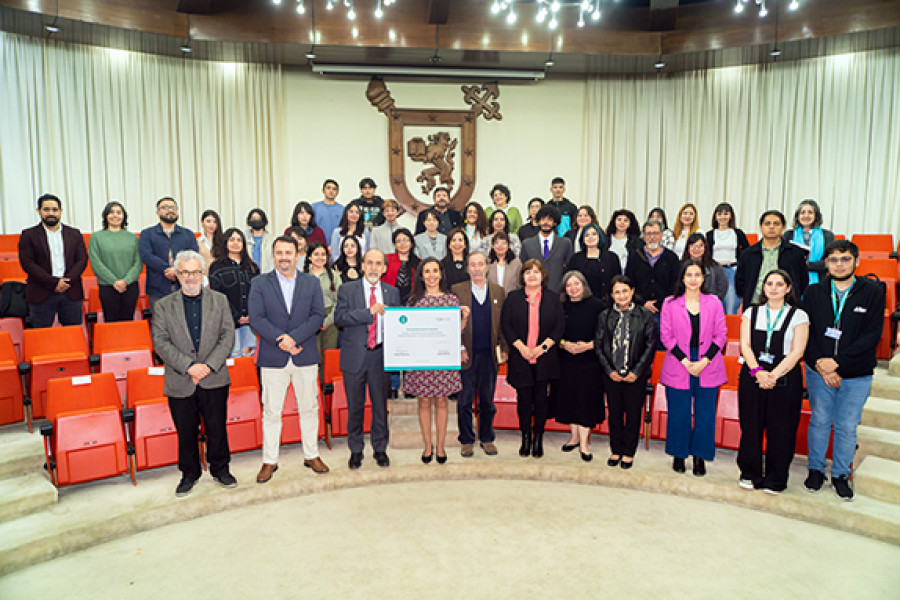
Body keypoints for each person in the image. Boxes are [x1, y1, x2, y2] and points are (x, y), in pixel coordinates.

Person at [801, 240, 885, 501]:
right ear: (826, 263)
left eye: (845, 259)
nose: (839, 265)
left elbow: (872, 335)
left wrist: (838, 363)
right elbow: (807, 334)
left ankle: (840, 474)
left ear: (857, 262)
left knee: (847, 426)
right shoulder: (814, 292)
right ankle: (816, 469)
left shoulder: (872, 290)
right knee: (819, 422)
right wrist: (821, 365)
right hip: (818, 371)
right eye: (834, 260)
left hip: (856, 373)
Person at [150, 250, 236, 497]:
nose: (191, 277)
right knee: (186, 430)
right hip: (180, 378)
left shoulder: (219, 300)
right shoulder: (164, 306)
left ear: (203, 273)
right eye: (185, 272)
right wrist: (190, 366)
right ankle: (190, 473)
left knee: (217, 427)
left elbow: (227, 336)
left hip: (214, 376)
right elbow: (161, 342)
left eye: (195, 271)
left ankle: (221, 469)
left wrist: (208, 366)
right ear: (177, 275)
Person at [249, 235, 328, 483]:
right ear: (274, 256)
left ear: (297, 255)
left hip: (305, 354)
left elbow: (317, 316)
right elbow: (256, 318)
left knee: (309, 407)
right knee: (272, 411)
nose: (284, 257)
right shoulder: (260, 283)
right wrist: (281, 339)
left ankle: (311, 454)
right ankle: (269, 460)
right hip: (273, 356)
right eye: (279, 253)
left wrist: (294, 339)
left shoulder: (311, 283)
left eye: (288, 252)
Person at [738, 269, 809, 494]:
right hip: (753, 375)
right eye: (770, 283)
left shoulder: (799, 316)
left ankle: (776, 478)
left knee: (782, 429)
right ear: (764, 287)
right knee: (751, 426)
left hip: (785, 378)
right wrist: (758, 372)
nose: (774, 288)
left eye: (780, 284)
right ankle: (749, 473)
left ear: (788, 288)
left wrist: (773, 375)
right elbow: (745, 345)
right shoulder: (752, 312)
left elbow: (797, 351)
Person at [659, 260, 728, 476]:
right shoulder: (670, 303)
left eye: (697, 275)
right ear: (682, 278)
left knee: (705, 415)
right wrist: (686, 362)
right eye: (689, 275)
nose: (693, 279)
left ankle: (700, 457)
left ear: (703, 278)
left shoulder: (714, 302)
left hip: (709, 362)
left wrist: (704, 361)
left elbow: (721, 335)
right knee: (678, 413)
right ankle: (679, 454)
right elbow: (666, 336)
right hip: (679, 362)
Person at [334, 249, 401, 469]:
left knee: (380, 406)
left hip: (380, 356)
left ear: (384, 268)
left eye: (378, 263)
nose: (373, 267)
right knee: (355, 407)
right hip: (354, 357)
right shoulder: (347, 289)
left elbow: (399, 324)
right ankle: (355, 450)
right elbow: (340, 318)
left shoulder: (392, 292)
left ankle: (380, 449)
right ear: (362, 266)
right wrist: (369, 312)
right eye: (369, 263)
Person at [500, 259, 565, 459]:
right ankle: (525, 437)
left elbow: (559, 327)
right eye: (528, 272)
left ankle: (538, 438)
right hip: (521, 356)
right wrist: (521, 347)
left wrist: (541, 348)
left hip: (544, 357)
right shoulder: (513, 297)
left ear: (542, 276)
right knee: (524, 400)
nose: (532, 275)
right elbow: (506, 325)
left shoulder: (553, 299)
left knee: (541, 399)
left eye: (536, 272)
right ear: (523, 277)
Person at [404, 257, 465, 464]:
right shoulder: (413, 301)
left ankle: (440, 447)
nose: (431, 275)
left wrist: (464, 317)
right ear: (421, 276)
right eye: (427, 271)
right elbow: (407, 331)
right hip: (420, 360)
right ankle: (427, 446)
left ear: (441, 274)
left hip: (443, 358)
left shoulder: (451, 300)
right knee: (423, 402)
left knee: (441, 401)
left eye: (435, 271)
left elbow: (456, 332)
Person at [595, 275, 657, 469]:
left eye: (624, 291)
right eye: (617, 292)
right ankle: (616, 450)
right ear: (612, 295)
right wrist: (609, 370)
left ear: (632, 292)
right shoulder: (604, 316)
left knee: (632, 414)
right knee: (614, 413)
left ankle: (629, 452)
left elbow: (650, 345)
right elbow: (599, 345)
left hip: (635, 375)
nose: (621, 295)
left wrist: (637, 371)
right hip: (611, 374)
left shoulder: (645, 315)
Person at [452, 251, 507, 458]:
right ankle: (466, 440)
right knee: (465, 400)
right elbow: (451, 324)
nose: (476, 268)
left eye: (480, 264)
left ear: (486, 267)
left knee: (487, 401)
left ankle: (487, 438)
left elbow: (502, 324)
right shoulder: (457, 291)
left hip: (489, 356)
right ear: (468, 269)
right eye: (472, 265)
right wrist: (459, 348)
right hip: (466, 355)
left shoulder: (498, 291)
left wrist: (504, 349)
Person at [553, 271, 605, 462]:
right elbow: (553, 331)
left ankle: (584, 443)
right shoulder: (560, 306)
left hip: (589, 360)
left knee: (585, 401)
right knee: (570, 400)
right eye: (568, 285)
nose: (573, 288)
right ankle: (574, 437)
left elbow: (605, 333)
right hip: (566, 360)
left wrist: (589, 345)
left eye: (576, 284)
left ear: (584, 285)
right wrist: (564, 344)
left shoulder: (597, 306)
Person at [18, 193, 88, 327]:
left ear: (61, 211)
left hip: (71, 291)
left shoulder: (74, 233)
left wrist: (66, 281)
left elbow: (82, 260)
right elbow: (27, 263)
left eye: (55, 210)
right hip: (41, 293)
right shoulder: (28, 235)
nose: (51, 213)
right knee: (42, 337)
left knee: (72, 336)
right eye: (46, 209)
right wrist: (54, 283)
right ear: (38, 211)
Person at [138, 197, 199, 316]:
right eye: (165, 207)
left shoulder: (188, 234)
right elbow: (146, 256)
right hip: (157, 287)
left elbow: (193, 256)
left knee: (184, 323)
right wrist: (167, 268)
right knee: (160, 325)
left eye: (173, 207)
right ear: (157, 212)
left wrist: (177, 270)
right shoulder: (147, 234)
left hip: (184, 286)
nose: (170, 210)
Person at [735, 210, 808, 308]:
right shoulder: (748, 254)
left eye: (776, 224)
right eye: (767, 224)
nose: (771, 227)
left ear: (783, 228)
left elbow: (803, 280)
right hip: (755, 304)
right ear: (761, 228)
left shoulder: (795, 253)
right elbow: (740, 282)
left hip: (787, 306)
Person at [208, 228, 260, 358]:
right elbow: (217, 295)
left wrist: (251, 315)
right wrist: (236, 316)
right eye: (232, 240)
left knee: (248, 355)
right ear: (225, 243)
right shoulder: (217, 266)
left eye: (239, 240)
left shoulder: (252, 266)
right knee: (233, 356)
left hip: (249, 321)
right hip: (228, 321)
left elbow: (258, 293)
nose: (236, 243)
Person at [88, 201, 141, 322]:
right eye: (111, 212)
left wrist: (125, 281)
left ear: (124, 216)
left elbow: (138, 263)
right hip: (107, 286)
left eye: (119, 212)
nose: (115, 215)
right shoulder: (96, 237)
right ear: (106, 216)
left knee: (128, 322)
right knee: (111, 322)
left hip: (130, 286)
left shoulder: (133, 238)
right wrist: (114, 281)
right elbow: (96, 263)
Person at [624, 219, 679, 324]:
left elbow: (675, 285)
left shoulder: (671, 258)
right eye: (648, 234)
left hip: (665, 311)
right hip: (639, 311)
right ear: (643, 236)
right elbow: (629, 283)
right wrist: (643, 302)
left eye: (655, 233)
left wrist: (659, 303)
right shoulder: (635, 257)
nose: (652, 237)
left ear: (661, 235)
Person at [706, 202, 750, 315]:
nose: (723, 217)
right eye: (719, 214)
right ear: (715, 216)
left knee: (731, 307)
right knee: (714, 307)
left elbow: (747, 251)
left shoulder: (737, 233)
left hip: (732, 270)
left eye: (726, 214)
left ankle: (730, 332)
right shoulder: (710, 234)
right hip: (715, 271)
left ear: (731, 216)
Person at [519, 204, 574, 294]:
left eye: (550, 219)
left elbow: (569, 270)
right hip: (532, 293)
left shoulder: (565, 243)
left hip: (558, 294)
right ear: (538, 221)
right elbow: (523, 270)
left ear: (555, 223)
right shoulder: (527, 244)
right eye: (543, 219)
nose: (546, 222)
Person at [783, 199, 835, 286]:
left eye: (810, 212)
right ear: (798, 216)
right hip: (792, 282)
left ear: (816, 215)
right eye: (802, 212)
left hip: (820, 282)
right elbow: (785, 262)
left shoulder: (827, 235)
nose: (806, 215)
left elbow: (828, 263)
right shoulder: (789, 235)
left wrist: (804, 265)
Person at [567, 223, 620, 305]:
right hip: (582, 304)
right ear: (583, 239)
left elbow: (617, 281)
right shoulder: (576, 258)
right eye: (587, 235)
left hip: (607, 304)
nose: (590, 237)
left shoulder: (612, 257)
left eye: (594, 234)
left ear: (600, 237)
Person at [304, 242, 341, 355]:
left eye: (323, 254)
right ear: (309, 257)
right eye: (316, 254)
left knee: (329, 354)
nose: (320, 257)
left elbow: (339, 301)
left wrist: (328, 321)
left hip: (331, 317)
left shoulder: (334, 275)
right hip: (309, 318)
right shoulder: (303, 277)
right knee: (313, 355)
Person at [681, 233, 728, 302]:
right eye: (693, 245)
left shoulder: (715, 266)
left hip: (710, 305)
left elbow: (722, 287)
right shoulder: (680, 266)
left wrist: (713, 302)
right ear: (688, 248)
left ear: (705, 248)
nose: (696, 249)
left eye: (700, 245)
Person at [383, 228, 420, 304]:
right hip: (389, 300)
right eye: (399, 241)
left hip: (412, 302)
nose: (402, 244)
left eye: (405, 240)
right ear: (394, 245)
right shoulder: (386, 259)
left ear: (411, 243)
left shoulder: (419, 262)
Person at [604, 209, 642, 273]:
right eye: (619, 219)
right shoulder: (606, 239)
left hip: (628, 273)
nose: (622, 222)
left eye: (626, 220)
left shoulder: (635, 241)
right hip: (609, 272)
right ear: (614, 221)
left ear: (630, 223)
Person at [487, 231, 522, 295]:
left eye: (503, 243)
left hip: (511, 300)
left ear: (508, 246)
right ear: (492, 246)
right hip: (492, 300)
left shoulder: (516, 263)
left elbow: (520, 285)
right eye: (497, 243)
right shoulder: (487, 263)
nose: (500, 246)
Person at [312, 179, 344, 244]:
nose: (331, 191)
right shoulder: (314, 207)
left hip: (337, 245)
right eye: (328, 188)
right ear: (323, 191)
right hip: (318, 245)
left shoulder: (343, 209)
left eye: (334, 189)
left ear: (337, 193)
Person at [245, 208, 275, 273]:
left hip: (267, 276)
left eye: (259, 218)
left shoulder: (272, 240)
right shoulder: (243, 239)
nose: (256, 220)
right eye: (253, 218)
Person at [197, 209, 224, 277]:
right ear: (202, 223)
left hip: (221, 278)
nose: (211, 225)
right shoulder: (197, 241)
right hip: (203, 279)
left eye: (215, 222)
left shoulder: (223, 240)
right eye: (208, 221)